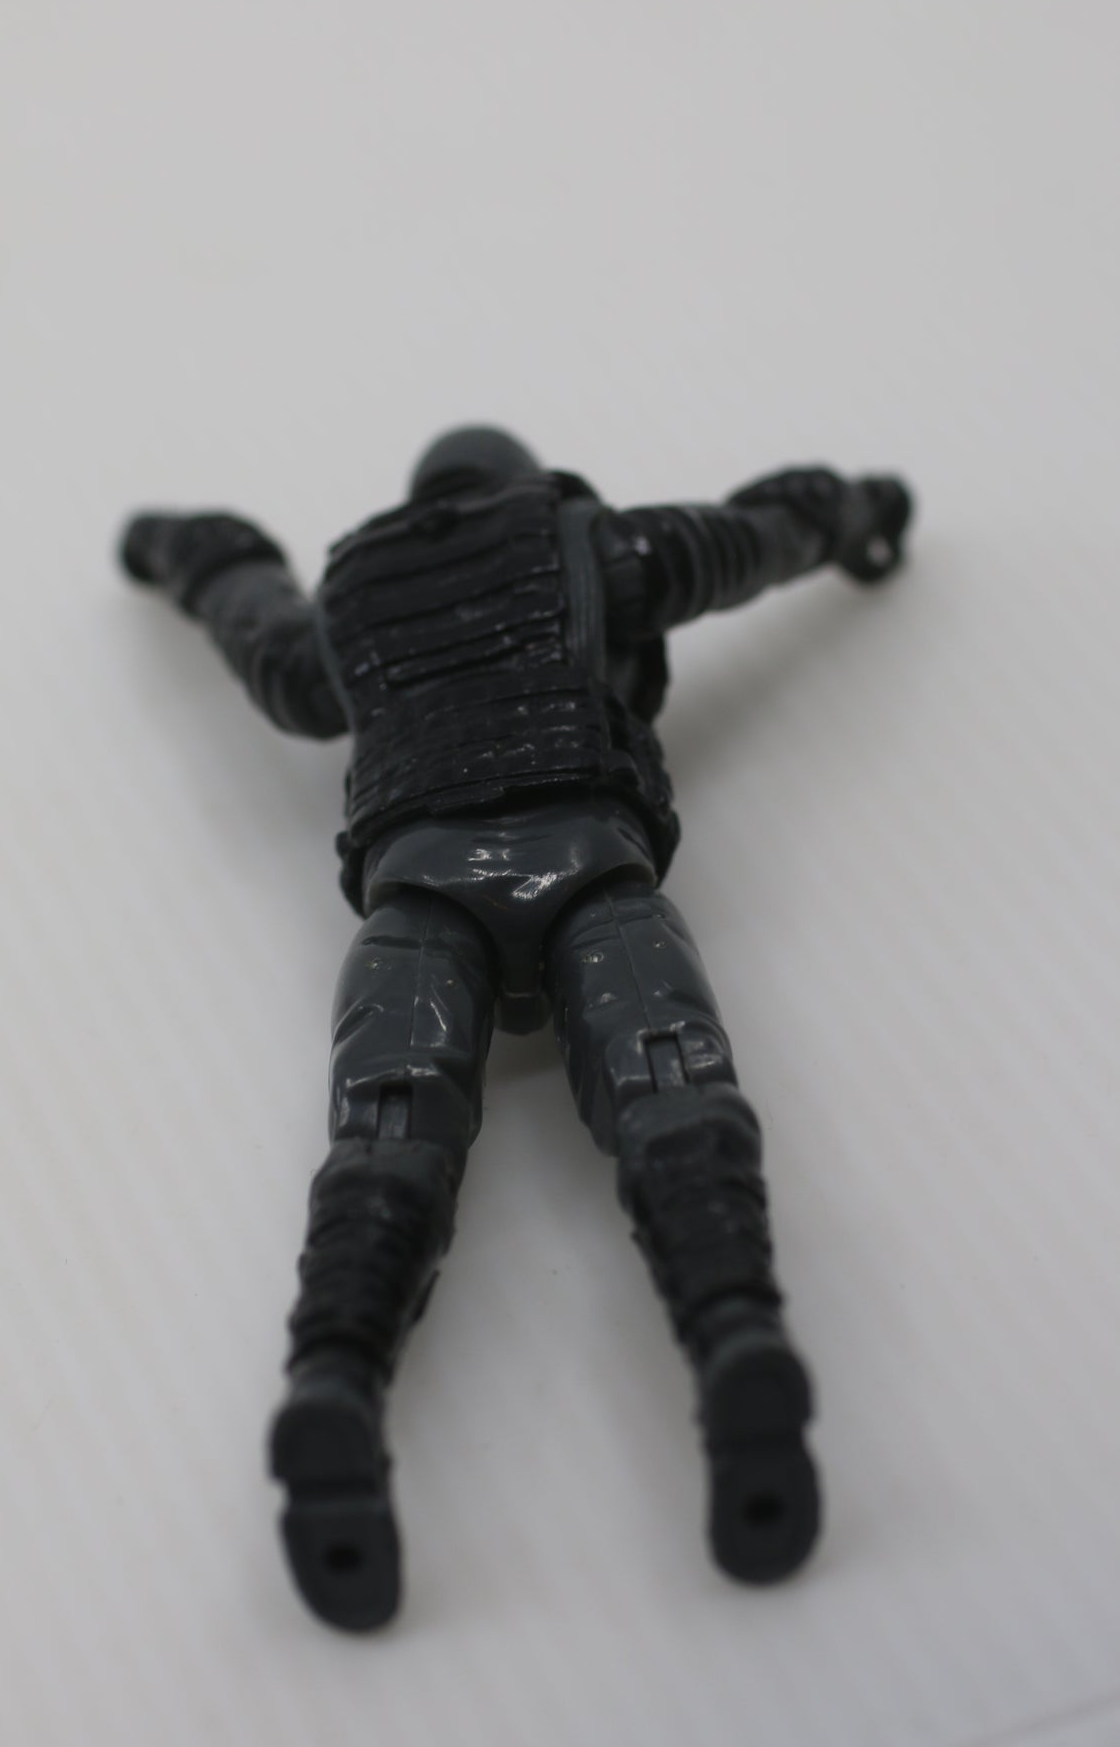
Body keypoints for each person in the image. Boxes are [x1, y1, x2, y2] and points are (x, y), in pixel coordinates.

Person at [119, 428, 913, 1631]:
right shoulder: (584, 543)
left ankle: (333, 1373)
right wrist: (852, 509)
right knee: (672, 1088)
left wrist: (194, 547)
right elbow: (750, 540)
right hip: (591, 859)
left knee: (385, 1133)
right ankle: (735, 1333)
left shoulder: (353, 599)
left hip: (416, 888)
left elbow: (259, 640)